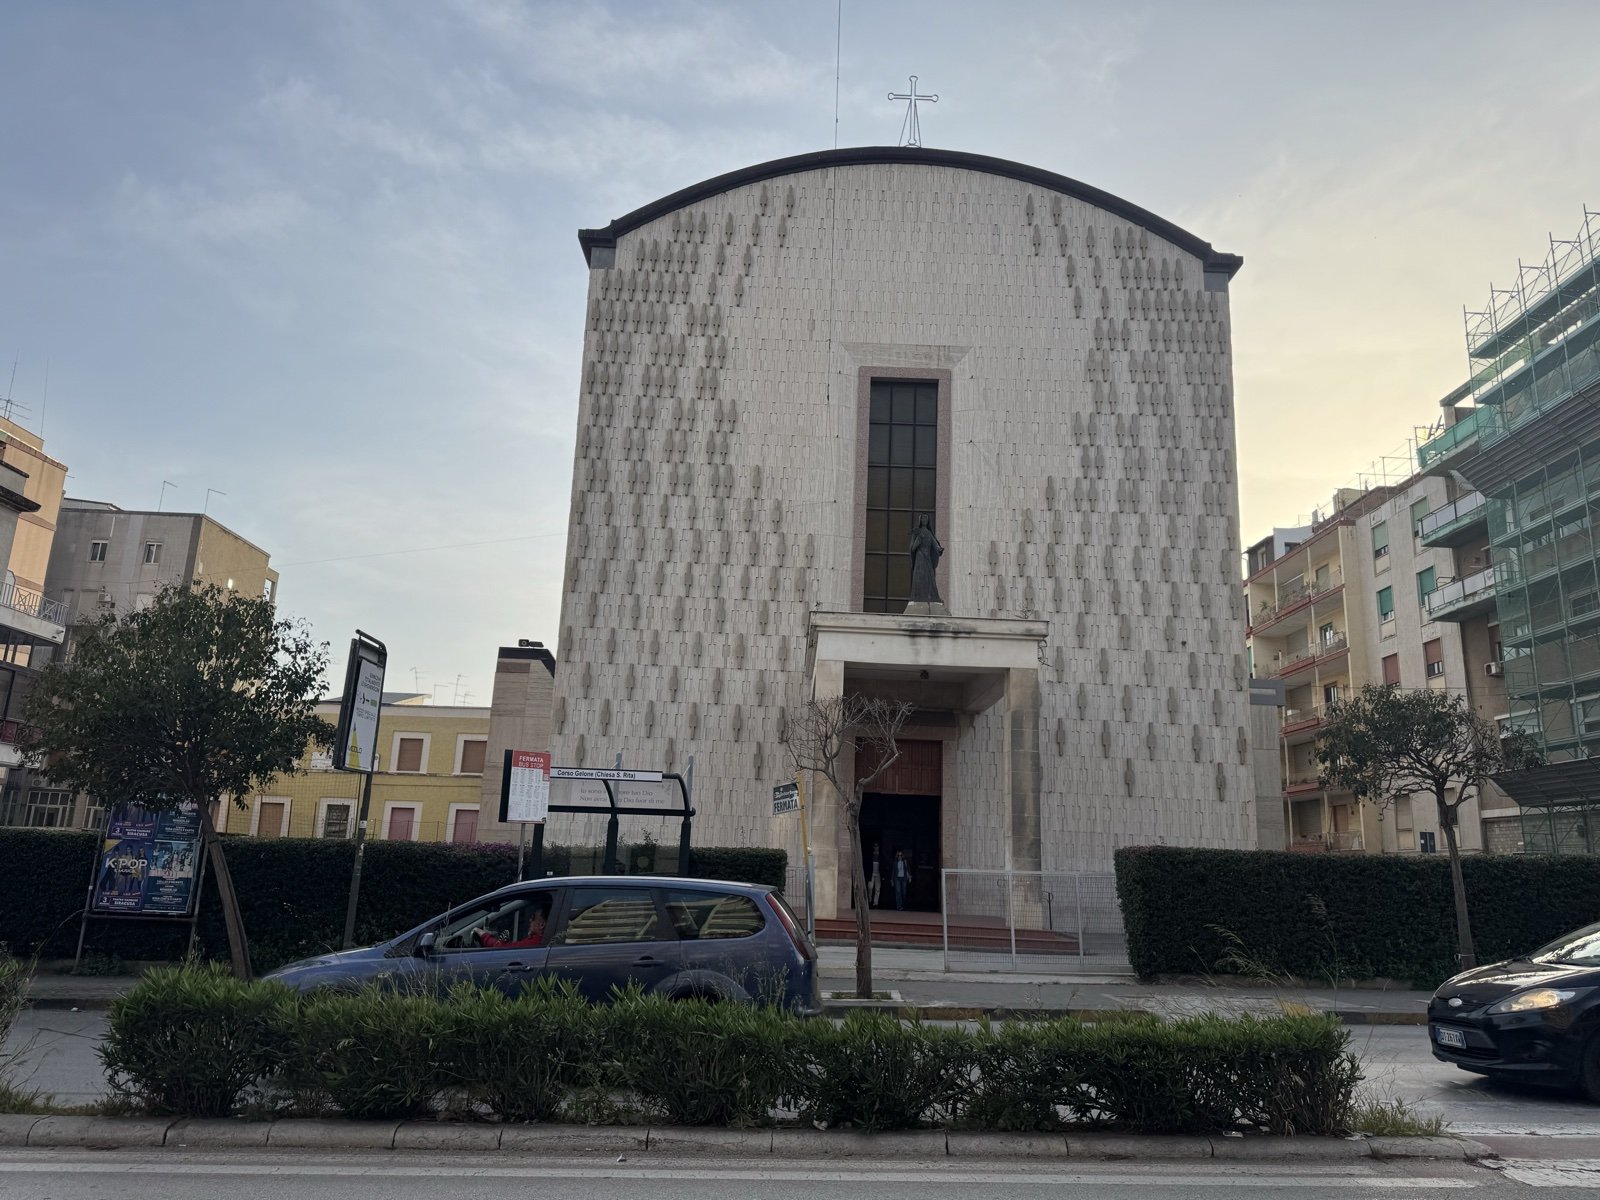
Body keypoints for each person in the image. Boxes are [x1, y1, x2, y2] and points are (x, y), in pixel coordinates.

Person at [475, 904, 548, 950]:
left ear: (541, 925)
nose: (529, 920)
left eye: (533, 918)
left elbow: (501, 948)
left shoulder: (536, 942)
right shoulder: (544, 941)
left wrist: (483, 934)